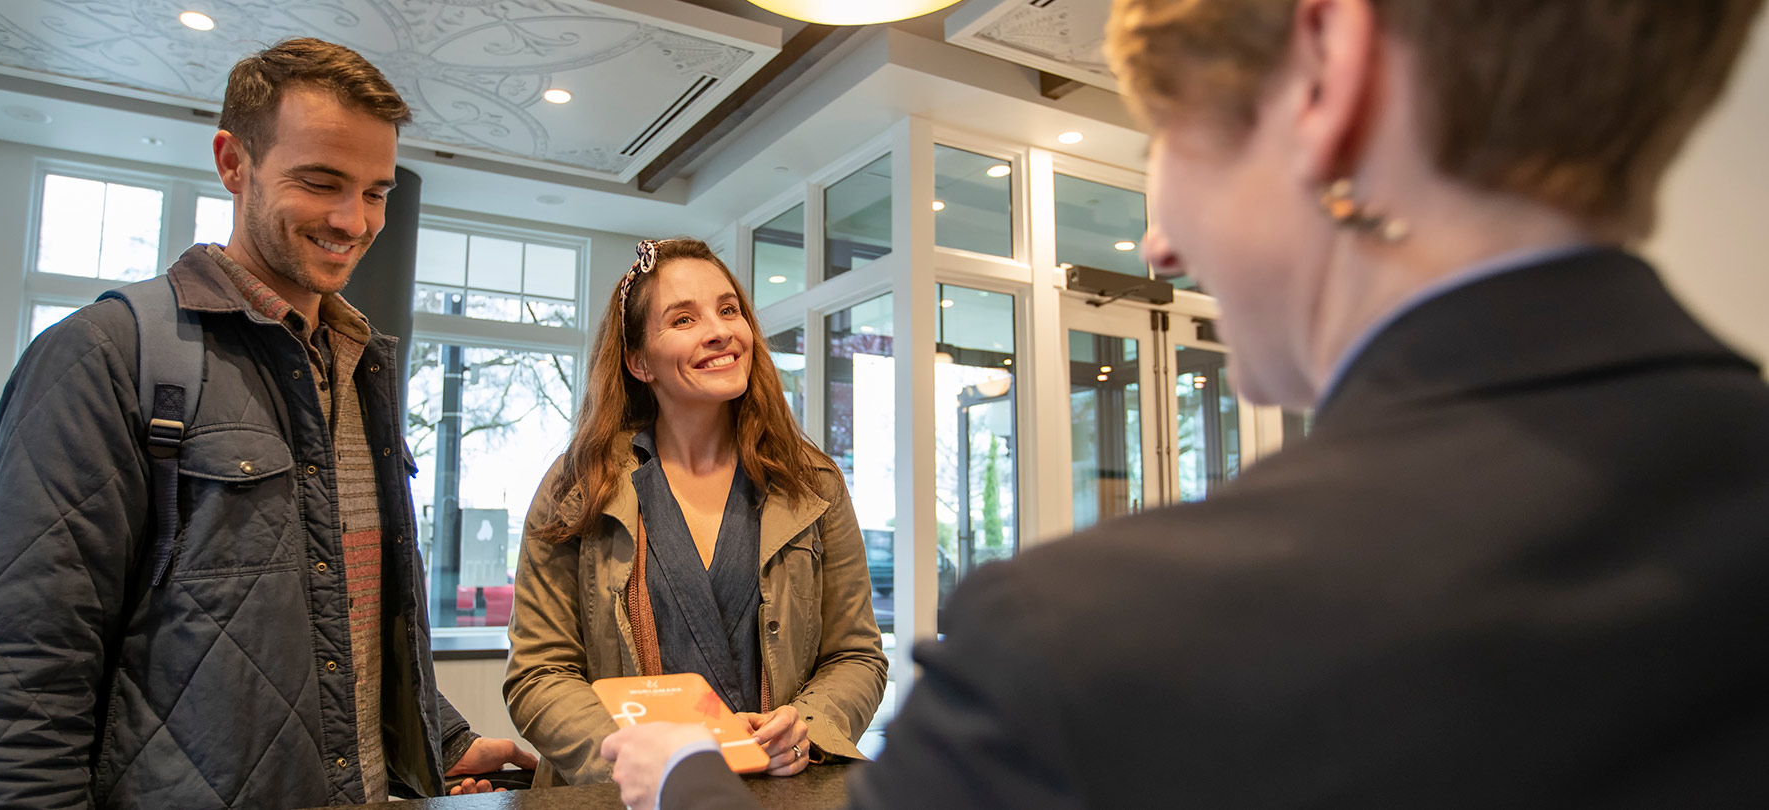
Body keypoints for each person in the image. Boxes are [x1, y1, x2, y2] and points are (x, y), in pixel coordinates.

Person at [601, 0, 1769, 807]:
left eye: (1173, 137)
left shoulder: (1080, 650)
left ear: (1330, 74)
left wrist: (685, 783)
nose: (1160, 242)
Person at [0, 38, 534, 809]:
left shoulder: (363, 369)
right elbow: (21, 696)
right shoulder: (101, 358)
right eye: (321, 183)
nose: (353, 220)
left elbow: (335, 621)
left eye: (376, 191)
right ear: (232, 162)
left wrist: (438, 735)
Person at [504, 238, 888, 787]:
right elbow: (539, 674)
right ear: (639, 362)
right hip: (628, 796)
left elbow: (857, 655)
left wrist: (807, 726)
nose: (720, 330)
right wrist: (634, 760)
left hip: (779, 792)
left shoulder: (813, 485)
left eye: (729, 310)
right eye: (683, 319)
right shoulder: (578, 486)